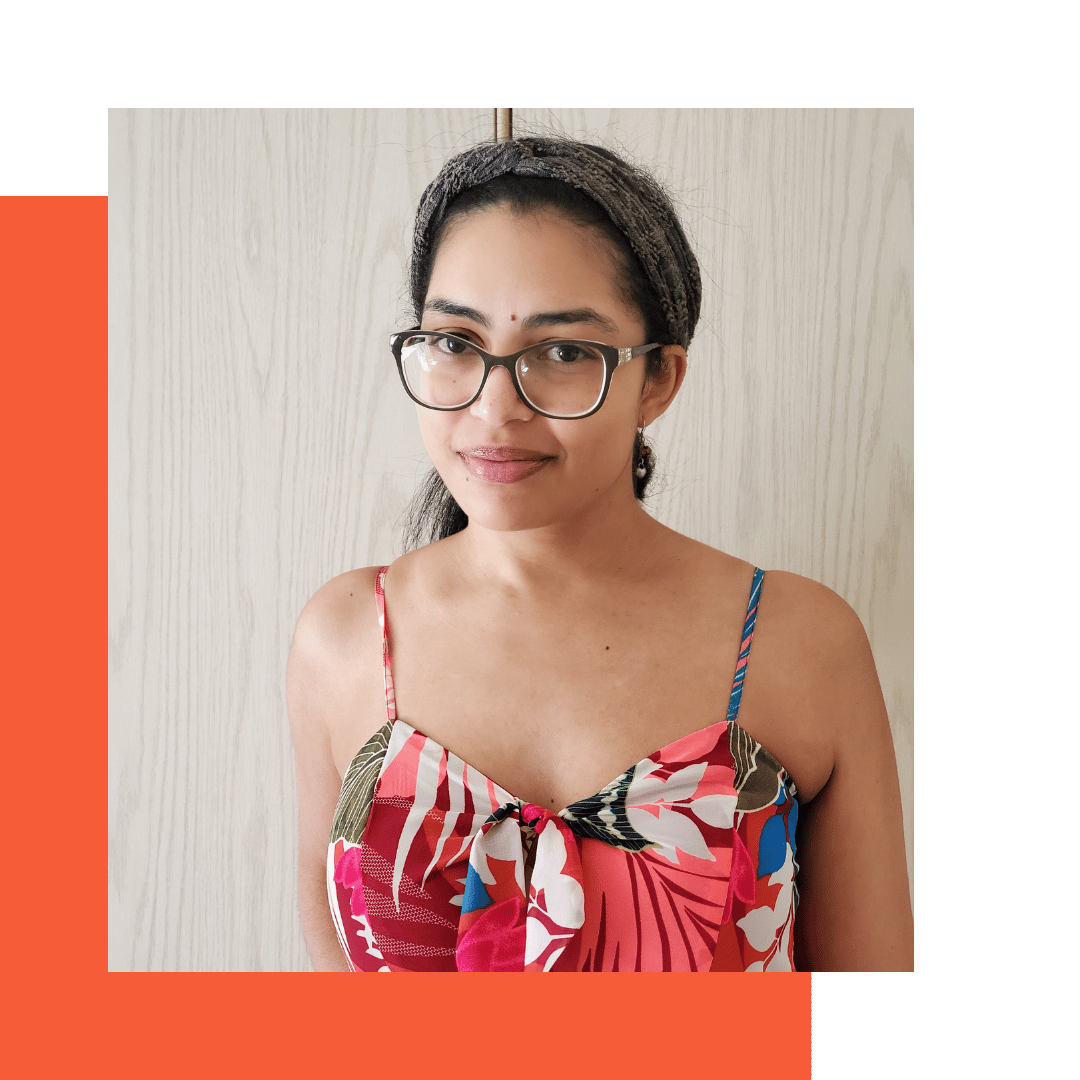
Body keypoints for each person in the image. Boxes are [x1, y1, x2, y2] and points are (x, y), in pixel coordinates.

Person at [287, 137, 914, 972]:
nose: (495, 409)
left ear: (658, 379)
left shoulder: (801, 643)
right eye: (454, 342)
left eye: (564, 352)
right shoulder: (346, 639)